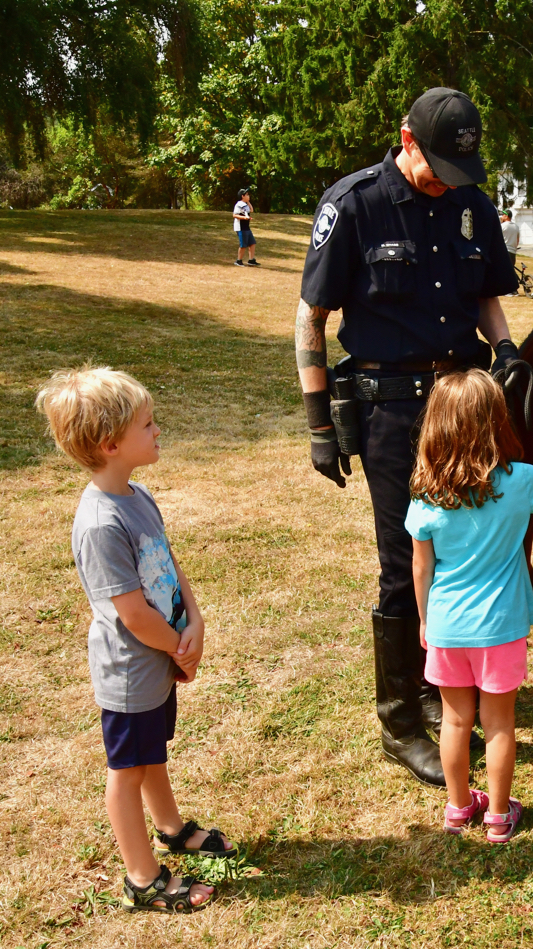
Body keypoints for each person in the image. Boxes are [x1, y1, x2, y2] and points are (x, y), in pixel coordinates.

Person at [295, 87, 522, 787]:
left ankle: (438, 684)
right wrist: (318, 424)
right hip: (391, 412)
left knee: (467, 550)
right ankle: (400, 717)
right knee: (408, 559)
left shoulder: (469, 200)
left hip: (463, 405)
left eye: (460, 174)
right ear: (407, 139)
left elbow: (485, 290)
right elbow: (310, 319)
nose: (446, 185)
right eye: (436, 170)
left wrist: (506, 346)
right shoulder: (355, 203)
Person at [34, 367, 237, 914]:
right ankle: (143, 878)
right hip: (131, 669)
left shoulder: (137, 494)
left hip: (160, 657)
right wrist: (178, 645)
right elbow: (130, 613)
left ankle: (170, 827)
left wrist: (194, 619)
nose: (157, 430)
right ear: (112, 443)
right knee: (127, 774)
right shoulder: (99, 523)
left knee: (153, 755)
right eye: (148, 425)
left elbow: (169, 563)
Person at [405, 370, 533, 841]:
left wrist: (424, 619)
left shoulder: (426, 497)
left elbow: (421, 569)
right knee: (499, 723)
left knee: (456, 720)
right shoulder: (519, 482)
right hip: (500, 626)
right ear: (497, 423)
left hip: (445, 625)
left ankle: (459, 807)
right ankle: (499, 816)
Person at [233, 189, 258, 267]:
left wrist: (248, 201)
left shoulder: (245, 204)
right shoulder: (239, 204)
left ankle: (251, 260)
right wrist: (244, 218)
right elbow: (234, 215)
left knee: (252, 243)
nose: (248, 196)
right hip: (241, 227)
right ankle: (238, 261)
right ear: (242, 196)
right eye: (246, 195)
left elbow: (251, 210)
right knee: (243, 245)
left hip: (246, 227)